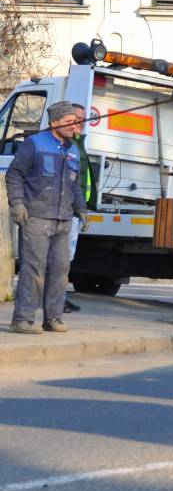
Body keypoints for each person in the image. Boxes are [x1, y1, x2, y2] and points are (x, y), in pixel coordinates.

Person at [6, 101, 87, 334]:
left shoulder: (73, 150)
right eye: (68, 121)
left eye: (75, 121)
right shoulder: (34, 143)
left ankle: (53, 318)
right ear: (54, 122)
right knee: (34, 270)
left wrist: (81, 209)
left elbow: (74, 185)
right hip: (36, 218)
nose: (73, 126)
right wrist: (17, 203)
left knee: (60, 272)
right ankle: (22, 320)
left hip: (63, 220)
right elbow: (15, 174)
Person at [62, 132, 93, 313]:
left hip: (73, 210)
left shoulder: (78, 144)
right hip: (63, 209)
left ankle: (60, 296)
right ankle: (55, 298)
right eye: (74, 120)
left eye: (80, 120)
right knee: (59, 257)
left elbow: (77, 183)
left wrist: (82, 208)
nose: (78, 123)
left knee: (67, 257)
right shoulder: (66, 144)